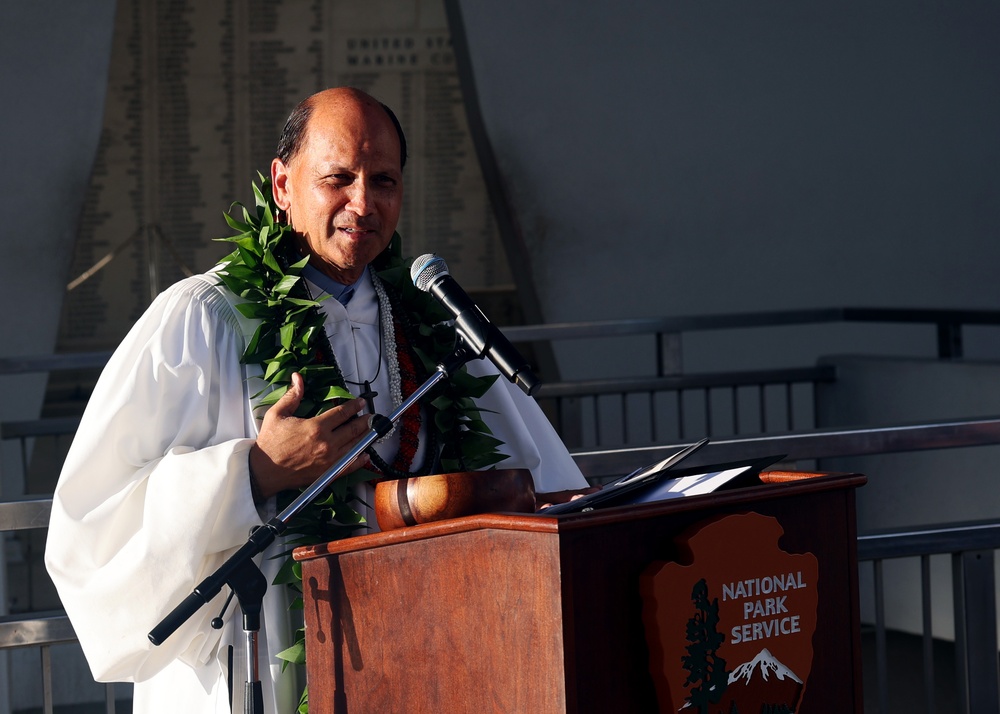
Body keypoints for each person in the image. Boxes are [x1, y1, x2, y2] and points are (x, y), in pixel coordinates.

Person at [44, 87, 590, 714]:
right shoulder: (201, 319)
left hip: (416, 650)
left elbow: (545, 482)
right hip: (260, 661)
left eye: (383, 180)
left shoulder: (431, 324)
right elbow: (90, 527)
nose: (363, 202)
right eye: (339, 178)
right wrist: (253, 471)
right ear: (282, 184)